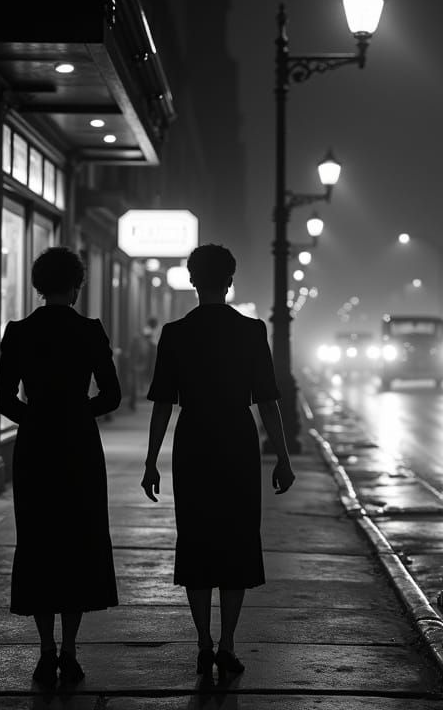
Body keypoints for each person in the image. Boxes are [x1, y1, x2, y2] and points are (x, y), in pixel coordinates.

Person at [141, 243, 296, 681]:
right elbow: (267, 401)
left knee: (196, 538)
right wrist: (282, 456)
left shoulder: (175, 333)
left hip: (193, 440)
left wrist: (151, 460)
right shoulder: (251, 331)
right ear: (230, 281)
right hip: (236, 440)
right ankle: (227, 642)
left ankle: (203, 643)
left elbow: (162, 403)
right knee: (236, 540)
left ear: (193, 280)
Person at [0, 246, 121, 687]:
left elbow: (3, 398)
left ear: (39, 286)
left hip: (35, 447)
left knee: (38, 542)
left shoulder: (18, 332)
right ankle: (69, 649)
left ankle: (45, 650)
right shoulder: (89, 331)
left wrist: (35, 418)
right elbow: (111, 395)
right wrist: (77, 413)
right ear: (76, 286)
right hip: (78, 446)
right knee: (78, 542)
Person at [128, 317, 159, 410]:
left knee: (136, 383)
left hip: (141, 362)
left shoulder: (145, 334)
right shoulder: (146, 332)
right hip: (139, 362)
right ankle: (133, 402)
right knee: (135, 383)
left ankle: (133, 402)